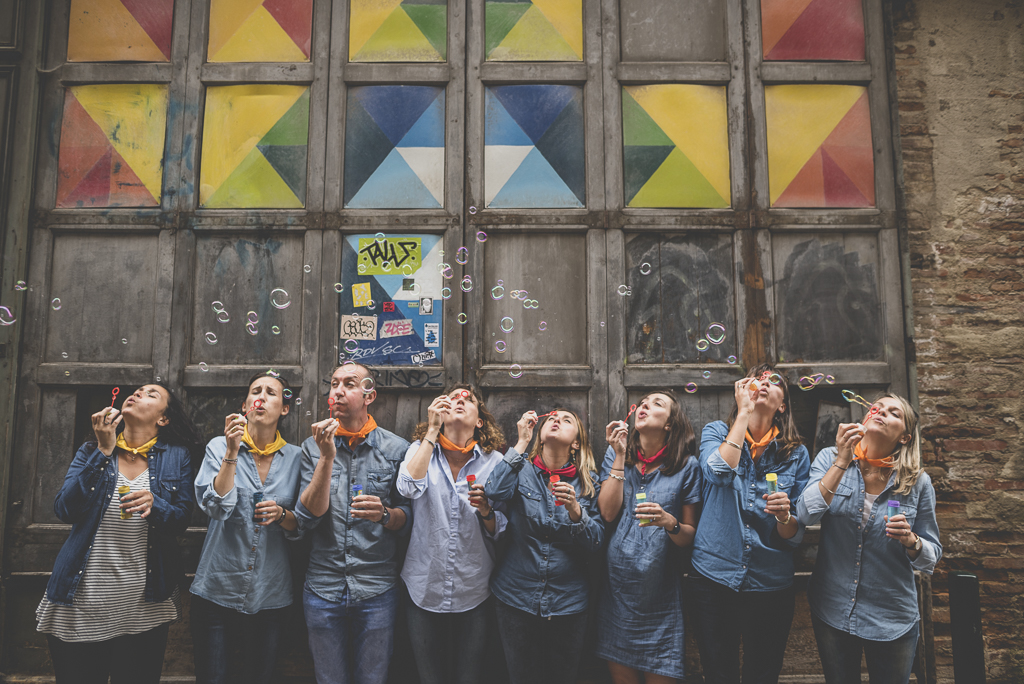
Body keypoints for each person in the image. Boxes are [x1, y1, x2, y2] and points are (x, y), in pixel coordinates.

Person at [36, 383, 201, 684]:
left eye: (151, 394)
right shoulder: (92, 450)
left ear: (163, 419)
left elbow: (180, 522)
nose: (138, 393)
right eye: (137, 390)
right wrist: (103, 450)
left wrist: (157, 504)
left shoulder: (178, 456)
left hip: (144, 603)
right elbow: (65, 509)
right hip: (84, 600)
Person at [796, 393, 940, 684]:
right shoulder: (829, 459)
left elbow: (930, 557)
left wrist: (911, 541)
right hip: (833, 608)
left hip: (892, 616)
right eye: (878, 407)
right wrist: (840, 460)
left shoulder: (917, 482)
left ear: (904, 437)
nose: (882, 412)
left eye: (894, 413)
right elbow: (805, 514)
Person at [290, 362, 411, 684]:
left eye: (349, 383)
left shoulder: (398, 450)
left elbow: (409, 518)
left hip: (377, 588)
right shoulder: (311, 448)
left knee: (373, 679)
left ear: (369, 394)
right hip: (322, 587)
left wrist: (385, 514)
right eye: (334, 384)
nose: (338, 390)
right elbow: (307, 518)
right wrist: (326, 457)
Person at [689, 365, 811, 684]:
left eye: (773, 381)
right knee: (719, 674)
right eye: (758, 378)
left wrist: (785, 516)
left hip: (770, 581)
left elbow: (794, 536)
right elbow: (718, 472)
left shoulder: (796, 454)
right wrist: (743, 413)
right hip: (714, 577)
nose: (764, 383)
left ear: (782, 404)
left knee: (763, 674)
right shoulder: (717, 432)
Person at [190, 372, 303, 684]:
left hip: (271, 593)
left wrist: (282, 514)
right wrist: (231, 452)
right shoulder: (219, 446)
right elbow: (216, 507)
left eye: (271, 392)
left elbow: (304, 525)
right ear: (244, 406)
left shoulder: (297, 458)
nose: (262, 396)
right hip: (216, 591)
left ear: (284, 409)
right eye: (256, 391)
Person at [483, 408, 605, 684]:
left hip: (568, 602)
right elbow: (494, 491)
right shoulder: (521, 469)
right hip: (515, 597)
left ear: (576, 442)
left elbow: (596, 541)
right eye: (552, 417)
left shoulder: (588, 483)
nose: (556, 420)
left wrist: (576, 509)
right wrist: (522, 442)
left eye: (567, 419)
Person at [397, 384, 508, 684]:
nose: (459, 401)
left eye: (467, 399)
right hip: (423, 585)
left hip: (475, 586)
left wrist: (486, 511)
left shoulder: (495, 463)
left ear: (479, 421)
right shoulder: (418, 451)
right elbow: (408, 487)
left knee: (468, 677)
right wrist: (432, 432)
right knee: (428, 677)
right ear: (440, 413)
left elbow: (503, 527)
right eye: (451, 398)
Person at [595, 390, 702, 683]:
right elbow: (607, 512)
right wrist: (618, 455)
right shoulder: (618, 455)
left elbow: (689, 535)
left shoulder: (686, 466)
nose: (645, 405)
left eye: (657, 404)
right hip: (617, 593)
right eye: (643, 402)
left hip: (661, 595)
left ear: (669, 424)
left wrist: (669, 522)